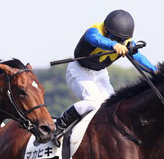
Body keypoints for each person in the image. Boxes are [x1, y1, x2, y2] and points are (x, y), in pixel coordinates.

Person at [53, 10, 157, 145]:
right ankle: (60, 125)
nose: (119, 42)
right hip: (79, 70)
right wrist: (113, 45)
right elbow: (95, 39)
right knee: (93, 102)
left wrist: (155, 72)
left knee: (114, 107)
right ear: (106, 30)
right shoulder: (95, 30)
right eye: (115, 38)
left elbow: (138, 57)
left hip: (100, 73)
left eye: (121, 40)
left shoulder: (125, 42)